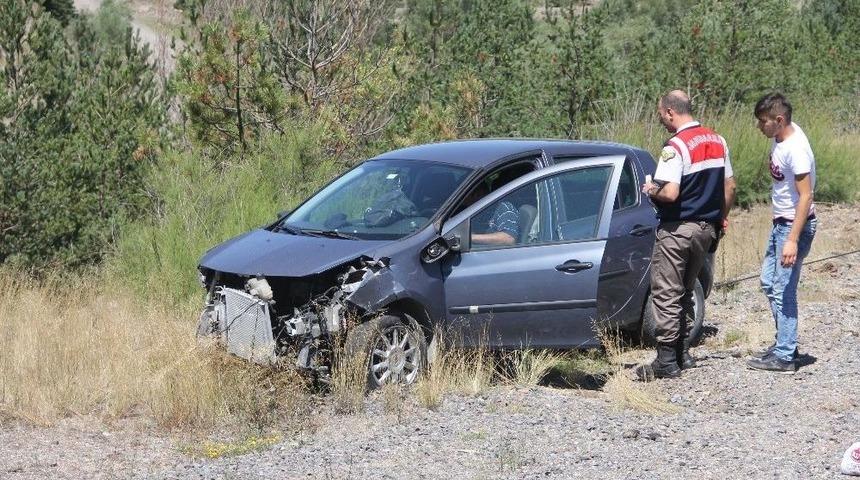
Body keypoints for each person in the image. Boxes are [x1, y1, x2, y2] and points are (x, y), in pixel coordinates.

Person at [639, 90, 736, 380]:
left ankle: (666, 361)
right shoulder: (718, 141)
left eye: (660, 113)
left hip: (677, 229)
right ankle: (683, 353)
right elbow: (730, 187)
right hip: (706, 229)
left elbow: (670, 192)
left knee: (666, 292)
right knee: (685, 290)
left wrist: (650, 189)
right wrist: (720, 220)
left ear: (670, 112)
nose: (661, 118)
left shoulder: (675, 145)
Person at [746, 93, 817, 374]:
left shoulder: (796, 149)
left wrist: (792, 240)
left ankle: (786, 356)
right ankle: (786, 343)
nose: (759, 127)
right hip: (781, 224)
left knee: (784, 289)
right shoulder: (782, 136)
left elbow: (806, 196)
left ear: (779, 120)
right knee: (768, 282)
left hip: (794, 226)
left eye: (763, 122)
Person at [464, 181, 519, 246]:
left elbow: (509, 238)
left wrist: (469, 238)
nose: (464, 202)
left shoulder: (504, 208)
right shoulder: (475, 211)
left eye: (465, 197)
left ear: (477, 194)